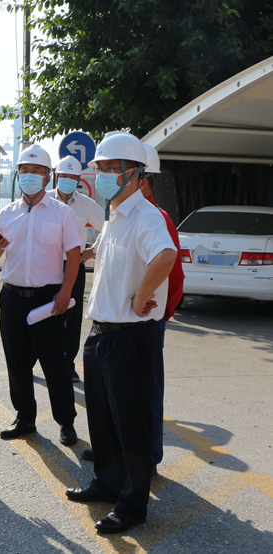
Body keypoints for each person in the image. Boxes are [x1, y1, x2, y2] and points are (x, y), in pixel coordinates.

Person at [65, 132, 176, 534]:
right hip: (101, 334)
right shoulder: (115, 217)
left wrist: (143, 294)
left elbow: (166, 255)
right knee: (103, 418)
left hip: (130, 337)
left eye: (114, 168)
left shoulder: (146, 216)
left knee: (131, 425)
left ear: (135, 174)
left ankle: (133, 504)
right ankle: (108, 482)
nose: (105, 175)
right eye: (102, 168)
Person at [0, 144, 82, 447]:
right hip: (12, 298)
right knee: (16, 361)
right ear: (18, 174)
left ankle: (66, 421)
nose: (29, 175)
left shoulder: (62, 213)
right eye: (24, 170)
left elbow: (74, 255)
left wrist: (65, 292)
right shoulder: (7, 212)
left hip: (47, 299)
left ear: (47, 176)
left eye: (36, 171)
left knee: (55, 363)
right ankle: (25, 417)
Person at [140, 144, 185, 474]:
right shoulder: (122, 218)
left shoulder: (158, 218)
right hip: (118, 320)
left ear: (142, 180)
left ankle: (148, 457)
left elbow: (175, 274)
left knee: (147, 392)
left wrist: (163, 314)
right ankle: (116, 449)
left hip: (147, 321)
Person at [48, 155, 104, 382]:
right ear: (56, 177)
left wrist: (93, 250)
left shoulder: (86, 204)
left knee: (72, 316)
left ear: (79, 180)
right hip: (46, 265)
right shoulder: (44, 200)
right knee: (43, 313)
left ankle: (67, 364)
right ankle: (35, 359)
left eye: (72, 177)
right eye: (64, 176)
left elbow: (109, 227)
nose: (68, 180)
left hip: (74, 265)